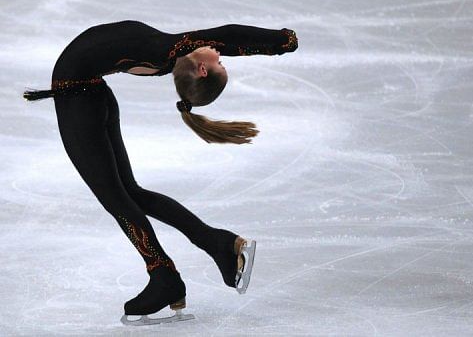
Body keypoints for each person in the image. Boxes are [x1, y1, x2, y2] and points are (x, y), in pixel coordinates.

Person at [23, 19, 298, 325]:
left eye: (219, 62)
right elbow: (226, 41)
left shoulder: (170, 50)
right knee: (130, 194)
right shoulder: (171, 56)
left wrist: (281, 42)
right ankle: (216, 244)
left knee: (117, 198)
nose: (218, 54)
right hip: (92, 96)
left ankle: (164, 276)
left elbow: (227, 37)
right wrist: (276, 46)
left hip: (80, 100)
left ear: (202, 69)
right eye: (221, 61)